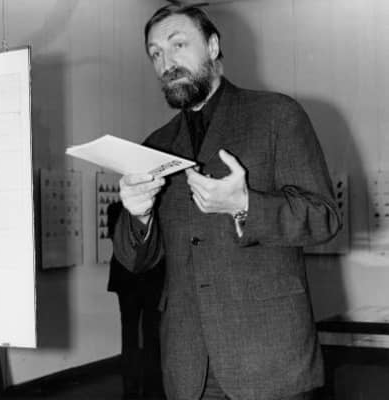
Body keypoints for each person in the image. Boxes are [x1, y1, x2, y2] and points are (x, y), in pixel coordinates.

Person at [113, 4, 341, 400]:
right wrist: (139, 214)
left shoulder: (277, 115)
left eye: (178, 45)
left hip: (269, 360)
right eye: (155, 53)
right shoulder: (157, 146)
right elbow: (136, 260)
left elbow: (323, 217)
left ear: (213, 46)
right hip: (188, 366)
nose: (167, 63)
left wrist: (246, 205)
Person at [107, 201, 166, 400]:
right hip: (153, 279)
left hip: (126, 280)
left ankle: (130, 391)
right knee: (152, 335)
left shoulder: (115, 209)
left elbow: (115, 241)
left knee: (130, 335)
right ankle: (152, 390)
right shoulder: (159, 209)